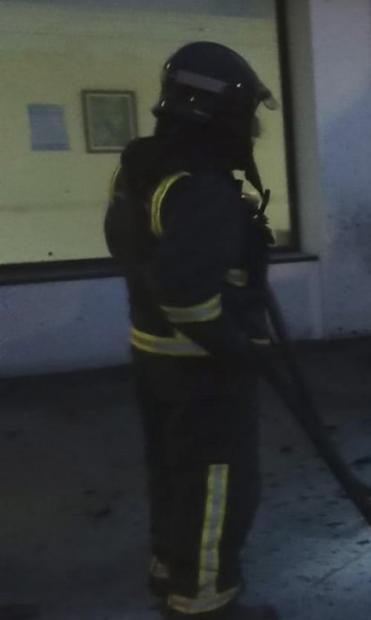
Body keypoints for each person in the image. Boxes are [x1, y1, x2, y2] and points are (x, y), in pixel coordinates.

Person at [104, 42, 279, 620]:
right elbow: (186, 292)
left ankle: (169, 573)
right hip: (201, 368)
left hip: (153, 354)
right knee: (217, 486)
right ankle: (204, 603)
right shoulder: (200, 185)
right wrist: (237, 350)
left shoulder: (142, 168)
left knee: (173, 474)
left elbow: (133, 251)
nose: (250, 130)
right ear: (218, 112)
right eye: (245, 115)